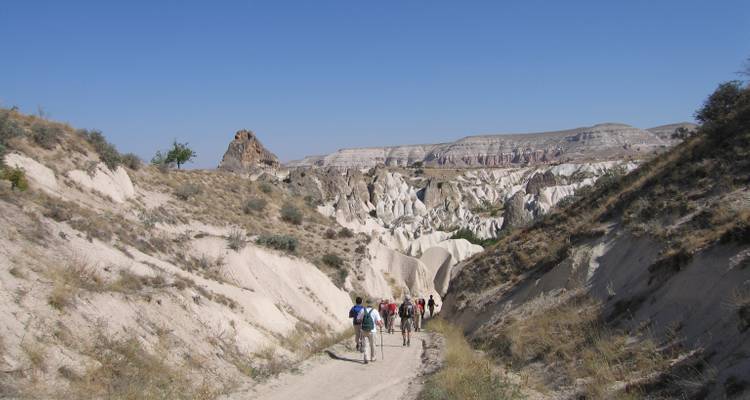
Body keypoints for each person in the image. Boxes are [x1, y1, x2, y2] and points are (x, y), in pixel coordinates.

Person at [357, 299, 384, 364]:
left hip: (364, 330)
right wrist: (381, 326)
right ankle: (373, 357)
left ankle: (366, 357)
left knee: (365, 344)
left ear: (367, 303)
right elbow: (378, 322)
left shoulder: (362, 310)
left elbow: (358, 320)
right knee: (373, 344)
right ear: (372, 304)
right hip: (372, 331)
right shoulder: (375, 311)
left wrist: (362, 321)